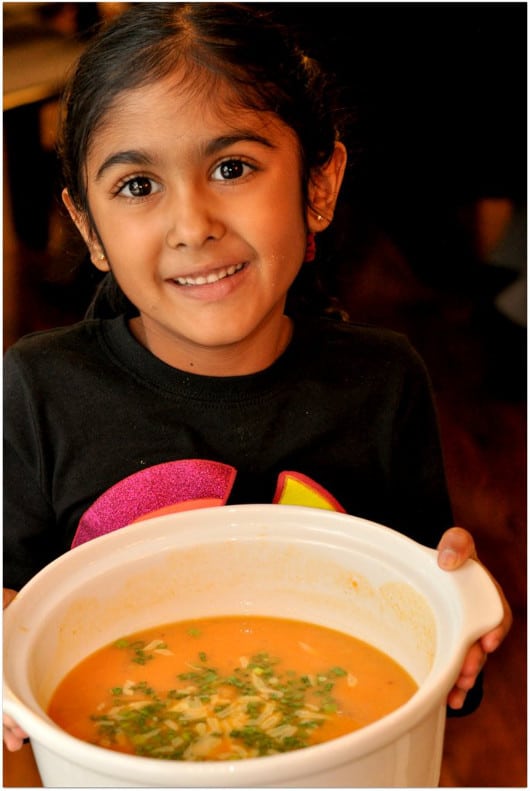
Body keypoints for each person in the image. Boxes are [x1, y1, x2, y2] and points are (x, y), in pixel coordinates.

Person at [3, 2, 511, 752]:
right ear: (88, 228)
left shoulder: (382, 382)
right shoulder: (39, 392)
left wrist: (463, 612)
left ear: (319, 183)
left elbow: (427, 642)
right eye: (138, 186)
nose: (192, 223)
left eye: (231, 168)